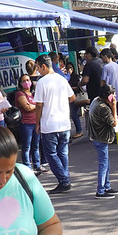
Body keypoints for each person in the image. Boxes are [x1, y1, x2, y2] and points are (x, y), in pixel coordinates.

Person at [34, 54, 76, 193]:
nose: (38, 71)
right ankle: (65, 179)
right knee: (62, 153)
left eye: (38, 68)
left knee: (51, 154)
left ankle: (64, 180)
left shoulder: (42, 82)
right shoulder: (62, 79)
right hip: (64, 122)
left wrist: (37, 123)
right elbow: (72, 97)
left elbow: (38, 105)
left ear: (44, 66)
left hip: (49, 124)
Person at [88, 84, 118, 199]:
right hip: (100, 138)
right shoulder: (103, 108)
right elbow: (113, 123)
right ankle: (100, 190)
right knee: (103, 164)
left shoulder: (96, 100)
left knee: (106, 163)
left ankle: (107, 186)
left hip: (97, 136)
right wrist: (114, 107)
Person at [15, 73, 41, 173]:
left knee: (36, 145)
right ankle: (27, 166)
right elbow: (27, 107)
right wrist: (37, 106)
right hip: (26, 123)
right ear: (20, 83)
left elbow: (39, 105)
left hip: (36, 122)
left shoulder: (34, 93)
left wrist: (35, 106)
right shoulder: (20, 94)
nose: (26, 82)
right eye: (24, 81)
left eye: (28, 80)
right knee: (27, 146)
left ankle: (37, 165)